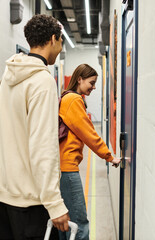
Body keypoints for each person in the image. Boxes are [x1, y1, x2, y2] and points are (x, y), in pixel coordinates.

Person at [0, 14, 69, 240]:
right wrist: (55, 203)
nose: (60, 48)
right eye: (61, 42)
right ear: (53, 39)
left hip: (0, 196)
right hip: (28, 202)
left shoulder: (8, 75)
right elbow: (43, 147)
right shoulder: (42, 82)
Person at [58, 64, 121, 240]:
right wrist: (109, 157)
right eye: (91, 83)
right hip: (68, 169)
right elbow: (88, 133)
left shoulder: (66, 97)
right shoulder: (73, 100)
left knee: (66, 222)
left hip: (63, 168)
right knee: (79, 223)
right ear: (79, 79)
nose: (94, 87)